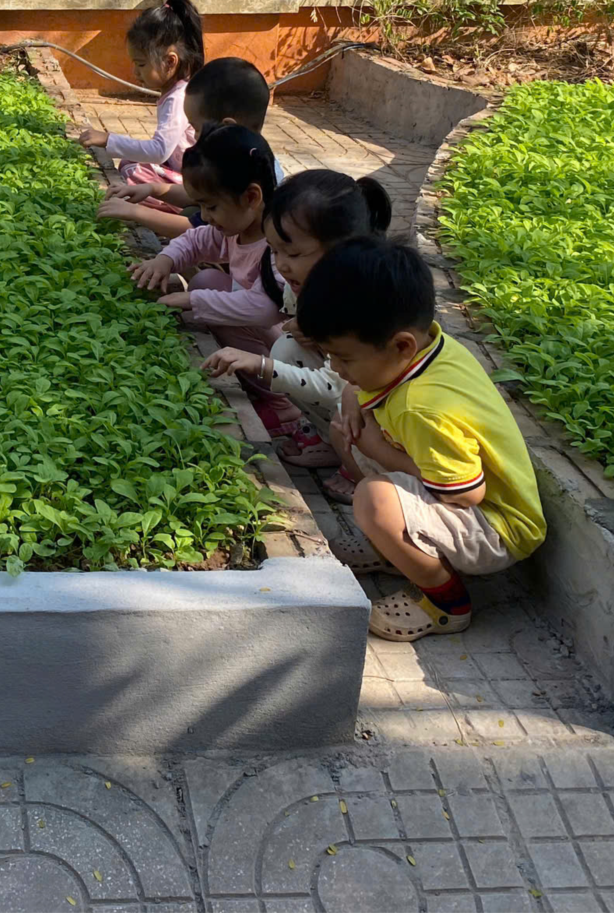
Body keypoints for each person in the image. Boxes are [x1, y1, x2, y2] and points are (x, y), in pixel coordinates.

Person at [292, 236, 546, 642]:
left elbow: (466, 494)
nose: (336, 368)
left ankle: (446, 602)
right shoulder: (429, 346)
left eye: (344, 357)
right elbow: (359, 391)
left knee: (373, 500)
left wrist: (376, 449)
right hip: (462, 498)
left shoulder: (422, 407)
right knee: (348, 422)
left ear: (401, 345)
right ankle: (395, 549)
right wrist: (354, 398)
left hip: (497, 528)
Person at [128, 125, 336, 470]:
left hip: (304, 349)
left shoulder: (279, 245)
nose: (205, 216)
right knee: (207, 280)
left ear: (251, 197)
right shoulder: (238, 228)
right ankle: (269, 390)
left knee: (211, 298)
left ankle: (282, 406)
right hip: (284, 339)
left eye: (210, 206)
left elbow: (265, 309)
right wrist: (165, 260)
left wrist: (194, 301)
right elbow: (196, 239)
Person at [201, 168, 393, 501]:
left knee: (297, 368)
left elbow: (335, 387)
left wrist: (260, 365)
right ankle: (331, 441)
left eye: (293, 254)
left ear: (341, 250)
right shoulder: (305, 284)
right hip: (349, 394)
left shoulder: (359, 302)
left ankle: (365, 468)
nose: (282, 265)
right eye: (274, 251)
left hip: (386, 415)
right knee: (287, 348)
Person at [98, 54, 273, 236]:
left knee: (190, 215)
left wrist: (135, 212)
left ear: (226, 127)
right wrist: (153, 189)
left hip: (230, 246)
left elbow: (198, 231)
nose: (194, 136)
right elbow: (198, 194)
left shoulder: (249, 170)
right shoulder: (237, 155)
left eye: (195, 128)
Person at [76, 0, 204, 202]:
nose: (135, 72)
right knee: (129, 163)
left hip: (197, 186)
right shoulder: (176, 91)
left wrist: (108, 139)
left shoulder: (178, 98)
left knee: (133, 171)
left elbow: (159, 151)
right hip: (181, 169)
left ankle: (163, 209)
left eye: (141, 64)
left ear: (170, 61)